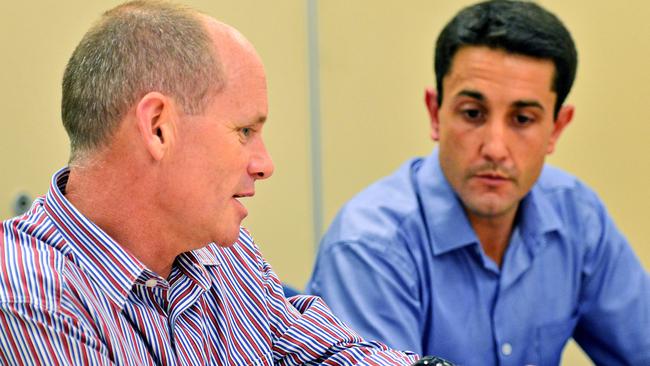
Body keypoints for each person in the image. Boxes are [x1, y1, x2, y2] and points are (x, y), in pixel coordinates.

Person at [0, 1, 424, 364]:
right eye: (244, 131)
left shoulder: (221, 248)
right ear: (158, 127)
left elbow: (326, 354)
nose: (265, 164)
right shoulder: (30, 298)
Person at [306, 1, 650, 365]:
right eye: (473, 114)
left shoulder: (577, 216)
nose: (495, 148)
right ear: (436, 113)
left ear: (557, 127)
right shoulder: (369, 246)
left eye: (522, 118)